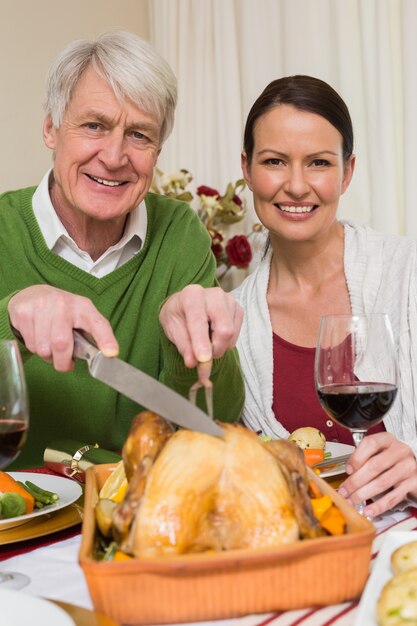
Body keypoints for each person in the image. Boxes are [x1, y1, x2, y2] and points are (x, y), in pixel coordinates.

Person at [0, 30, 244, 469]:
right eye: (94, 125)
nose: (114, 156)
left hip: (138, 511)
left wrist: (192, 346)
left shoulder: (179, 232)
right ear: (51, 128)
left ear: (158, 149)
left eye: (139, 135)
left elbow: (216, 425)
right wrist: (10, 316)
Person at [233, 74, 417, 518]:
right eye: (275, 161)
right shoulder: (233, 323)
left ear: (347, 171)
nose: (297, 186)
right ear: (247, 169)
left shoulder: (407, 273)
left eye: (318, 163)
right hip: (305, 570)